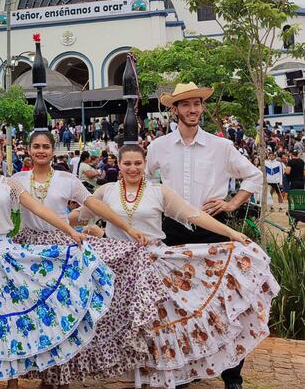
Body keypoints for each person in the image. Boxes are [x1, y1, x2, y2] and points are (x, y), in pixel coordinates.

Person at [81, 144, 278, 388]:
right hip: (117, 268)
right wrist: (58, 222)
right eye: (127, 163)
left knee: (157, 323)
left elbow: (193, 214)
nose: (133, 168)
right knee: (124, 324)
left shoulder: (158, 191)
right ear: (118, 164)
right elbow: (80, 214)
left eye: (138, 163)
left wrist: (231, 233)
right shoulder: (106, 191)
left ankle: (164, 375)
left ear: (145, 165)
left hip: (152, 264)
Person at [0, 136, 117, 389]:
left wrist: (71, 231)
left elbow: (41, 210)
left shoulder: (11, 185)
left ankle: (12, 383)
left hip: (3, 256)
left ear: (2, 156)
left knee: (5, 316)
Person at [12, 131, 158, 389]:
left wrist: (127, 228)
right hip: (28, 252)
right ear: (29, 149)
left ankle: (61, 377)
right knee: (35, 314)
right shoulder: (16, 180)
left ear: (53, 150)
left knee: (61, 313)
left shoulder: (67, 180)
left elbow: (94, 205)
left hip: (61, 249)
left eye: (46, 146)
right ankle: (44, 374)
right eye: (36, 146)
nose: (41, 151)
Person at [145, 82, 264, 389]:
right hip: (173, 231)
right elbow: (142, 181)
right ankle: (185, 371)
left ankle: (232, 375)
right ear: (175, 110)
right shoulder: (159, 147)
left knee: (226, 301)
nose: (193, 109)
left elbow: (254, 176)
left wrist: (232, 203)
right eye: (186, 104)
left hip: (213, 229)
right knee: (179, 304)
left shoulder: (220, 146)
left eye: (197, 103)